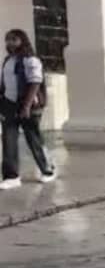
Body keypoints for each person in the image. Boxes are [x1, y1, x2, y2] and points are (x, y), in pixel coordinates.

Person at [1, 29, 55, 190]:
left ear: (22, 41)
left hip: (28, 105)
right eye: (7, 39)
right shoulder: (8, 61)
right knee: (8, 140)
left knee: (34, 139)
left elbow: (35, 83)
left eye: (13, 39)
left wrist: (26, 106)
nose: (9, 43)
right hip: (9, 104)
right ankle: (11, 176)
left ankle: (48, 170)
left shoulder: (31, 60)